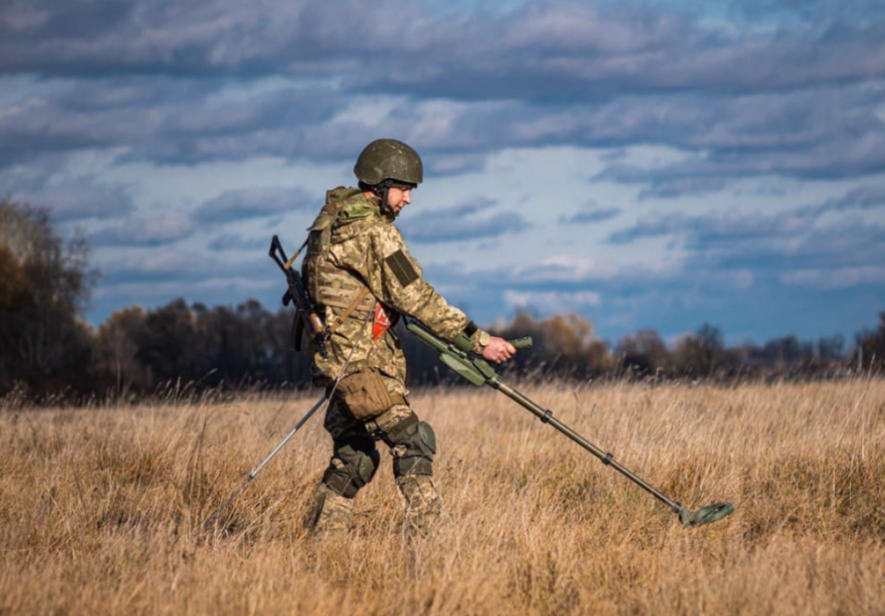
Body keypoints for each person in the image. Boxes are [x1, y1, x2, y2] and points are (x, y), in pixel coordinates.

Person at [303, 138, 516, 535]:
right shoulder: (373, 233)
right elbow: (414, 296)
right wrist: (479, 341)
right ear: (379, 184)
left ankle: (319, 543)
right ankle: (431, 539)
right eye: (403, 189)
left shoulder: (329, 225)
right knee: (413, 442)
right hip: (363, 367)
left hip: (336, 366)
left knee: (354, 459)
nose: (408, 199)